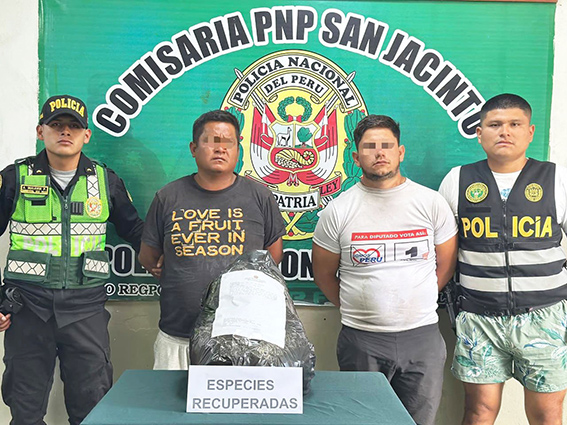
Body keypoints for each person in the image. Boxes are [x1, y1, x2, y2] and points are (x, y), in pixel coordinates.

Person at [0, 94, 147, 425]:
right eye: (56, 125)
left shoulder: (106, 180)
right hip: (28, 309)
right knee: (25, 411)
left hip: (85, 309)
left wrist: (174, 260)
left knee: (92, 409)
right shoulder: (14, 178)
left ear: (86, 135)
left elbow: (136, 232)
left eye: (73, 126)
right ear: (41, 131)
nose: (65, 132)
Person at [312, 114, 458, 425]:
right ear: (356, 157)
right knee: (362, 421)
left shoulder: (431, 203)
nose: (379, 153)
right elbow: (323, 275)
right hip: (361, 341)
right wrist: (360, 309)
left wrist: (417, 299)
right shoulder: (338, 210)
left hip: (422, 337)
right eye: (370, 147)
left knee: (418, 421)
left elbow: (446, 264)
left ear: (400, 152)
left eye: (387, 146)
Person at [439, 93, 567, 425]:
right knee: (479, 411)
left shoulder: (556, 179)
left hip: (544, 316)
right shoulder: (458, 180)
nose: (505, 132)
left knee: (547, 414)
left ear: (530, 132)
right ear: (480, 133)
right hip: (479, 316)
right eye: (495, 124)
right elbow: (441, 249)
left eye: (515, 124)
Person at [139, 109, 286, 370]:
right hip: (178, 337)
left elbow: (271, 257)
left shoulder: (260, 197)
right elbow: (148, 257)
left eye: (228, 142)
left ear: (238, 150)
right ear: (194, 148)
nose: (220, 149)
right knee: (168, 398)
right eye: (210, 141)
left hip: (243, 339)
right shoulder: (168, 197)